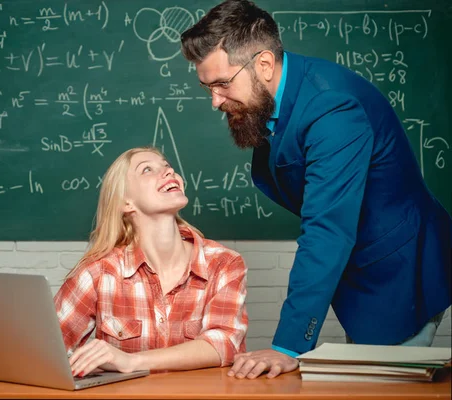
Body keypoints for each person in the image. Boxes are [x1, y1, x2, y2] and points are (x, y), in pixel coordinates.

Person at [180, 0, 451, 380]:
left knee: (383, 388)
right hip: (357, 268)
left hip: (399, 269)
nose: (215, 101)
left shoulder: (332, 109)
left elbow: (327, 228)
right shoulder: (273, 97)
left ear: (263, 64)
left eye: (223, 84)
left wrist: (288, 346)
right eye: (207, 87)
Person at [54, 146, 248, 377]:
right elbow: (47, 350)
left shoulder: (223, 263)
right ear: (126, 203)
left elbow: (224, 344)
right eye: (147, 169)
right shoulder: (98, 272)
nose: (169, 172)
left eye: (167, 166)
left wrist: (129, 361)